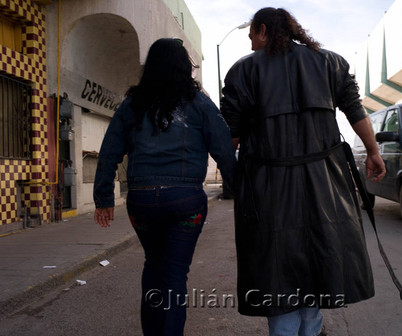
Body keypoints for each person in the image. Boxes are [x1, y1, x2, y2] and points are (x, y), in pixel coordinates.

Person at [221, 8, 386, 336]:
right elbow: (355, 109)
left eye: (252, 34)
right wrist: (373, 151)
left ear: (264, 30)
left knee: (276, 267)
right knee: (316, 259)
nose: (251, 42)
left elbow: (232, 136)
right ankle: (311, 330)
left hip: (267, 187)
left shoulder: (242, 71)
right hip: (323, 184)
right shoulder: (329, 63)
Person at [93, 38, 236, 336]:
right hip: (185, 202)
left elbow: (108, 152)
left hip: (142, 203)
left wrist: (104, 197)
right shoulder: (199, 103)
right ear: (184, 65)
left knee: (153, 267)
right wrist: (238, 191)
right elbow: (223, 147)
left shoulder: (132, 104)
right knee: (173, 275)